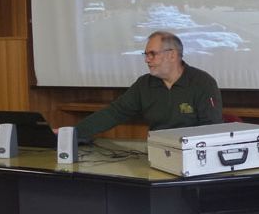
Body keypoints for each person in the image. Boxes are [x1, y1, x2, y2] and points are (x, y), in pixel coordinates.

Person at [73, 30, 223, 140]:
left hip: (194, 158)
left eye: (152, 54)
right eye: (146, 54)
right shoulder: (144, 84)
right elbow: (114, 113)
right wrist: (73, 134)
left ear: (172, 55)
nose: (147, 60)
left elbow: (211, 129)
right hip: (157, 153)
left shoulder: (203, 83)